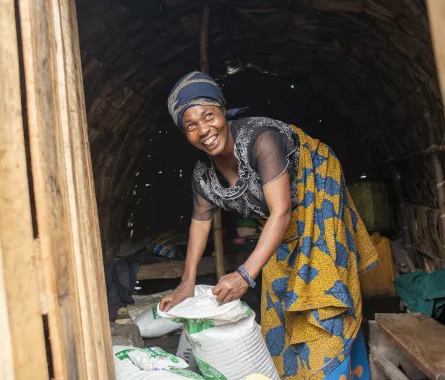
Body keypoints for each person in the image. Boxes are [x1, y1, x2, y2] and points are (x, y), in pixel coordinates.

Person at [159, 71, 378, 379]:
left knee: (322, 292)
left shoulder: (261, 139)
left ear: (223, 111)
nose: (203, 130)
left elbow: (281, 212)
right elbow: (200, 222)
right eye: (190, 126)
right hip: (281, 220)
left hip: (316, 194)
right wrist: (187, 281)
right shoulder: (202, 174)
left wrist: (244, 274)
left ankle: (334, 368)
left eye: (208, 116)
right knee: (281, 294)